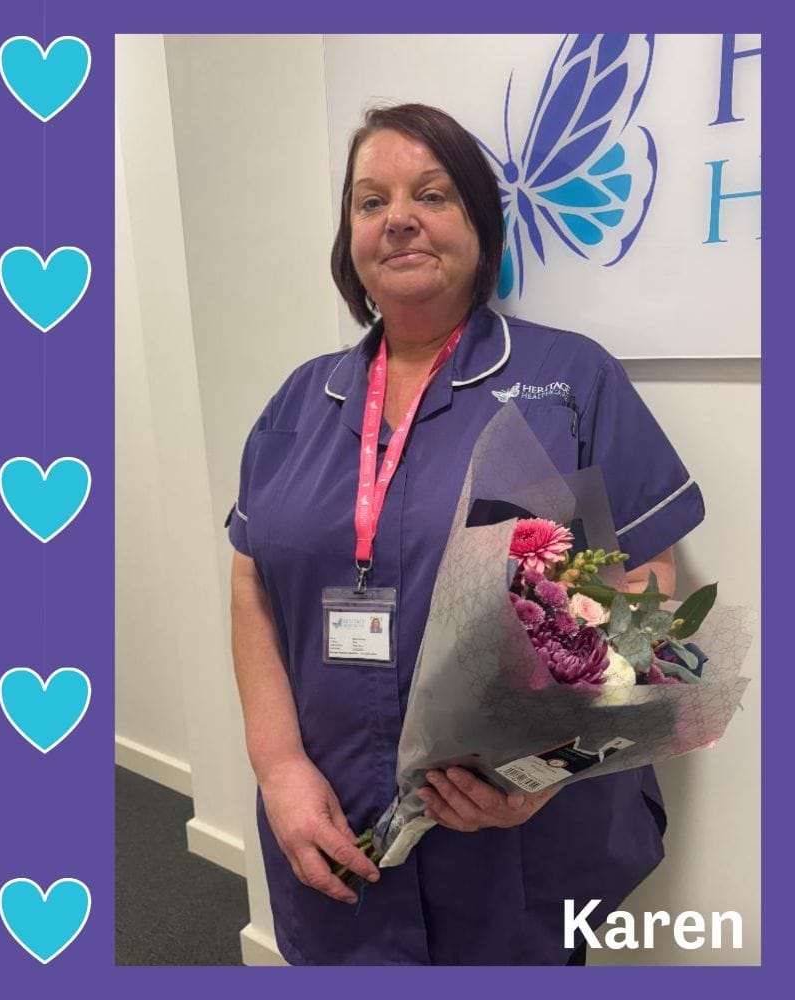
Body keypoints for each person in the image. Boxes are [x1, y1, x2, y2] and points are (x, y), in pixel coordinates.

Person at [228, 104, 703, 965]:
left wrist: (550, 770)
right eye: (371, 201)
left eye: (432, 194)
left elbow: (646, 587)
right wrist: (279, 767)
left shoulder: (569, 380)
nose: (399, 218)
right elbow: (251, 584)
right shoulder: (299, 402)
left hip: (517, 839)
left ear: (481, 226)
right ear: (349, 239)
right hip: (334, 817)